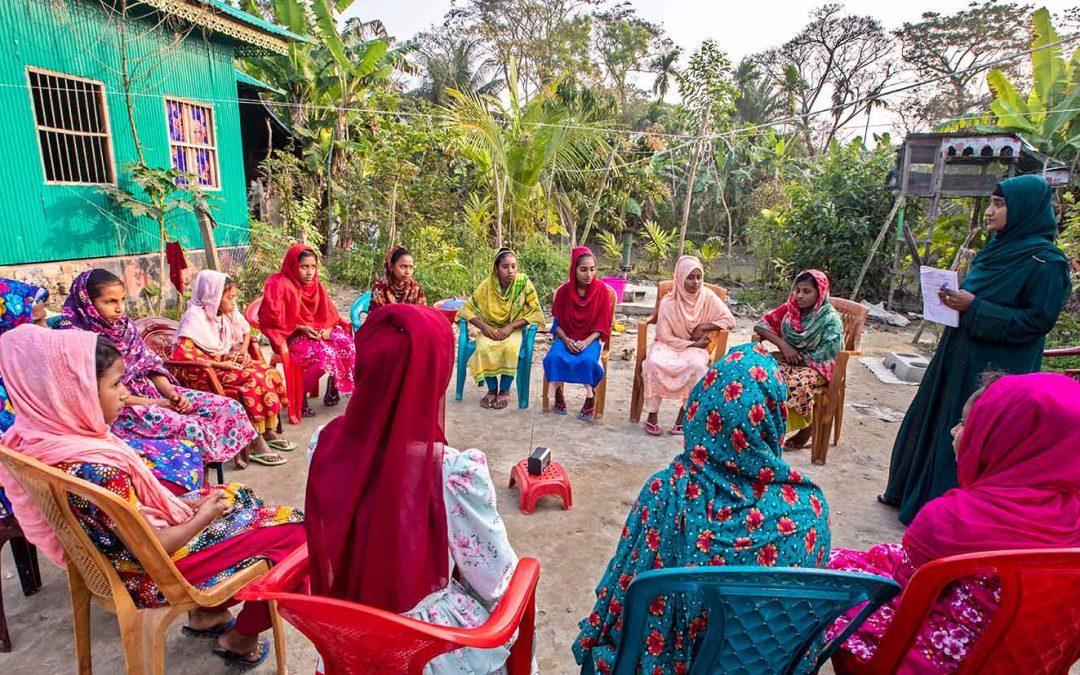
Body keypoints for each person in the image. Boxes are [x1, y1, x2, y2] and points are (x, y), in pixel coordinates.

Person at [0, 325, 305, 668]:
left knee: (240, 496)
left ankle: (209, 614)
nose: (125, 393)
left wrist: (190, 506)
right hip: (152, 573)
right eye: (115, 385)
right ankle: (239, 637)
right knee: (297, 532)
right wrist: (202, 516)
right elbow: (155, 545)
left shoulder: (41, 439)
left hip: (119, 558)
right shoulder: (96, 470)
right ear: (72, 391)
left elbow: (130, 514)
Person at [573, 344, 832, 674]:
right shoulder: (809, 509)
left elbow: (619, 597)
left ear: (702, 406)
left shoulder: (666, 491)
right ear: (772, 417)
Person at [307, 304, 527, 674]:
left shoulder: (323, 443)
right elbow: (495, 578)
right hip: (421, 649)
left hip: (347, 641)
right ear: (434, 375)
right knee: (516, 611)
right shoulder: (454, 471)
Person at [827, 372, 1080, 673]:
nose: (953, 431)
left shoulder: (950, 520)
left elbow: (905, 594)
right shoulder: (1071, 521)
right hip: (1027, 660)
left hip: (934, 660)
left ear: (1001, 440)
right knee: (877, 557)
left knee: (829, 585)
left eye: (968, 424)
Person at [882, 175, 1072, 524]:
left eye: (1000, 204)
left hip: (998, 367)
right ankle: (919, 496)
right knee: (942, 419)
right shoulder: (996, 250)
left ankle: (955, 515)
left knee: (977, 430)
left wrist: (975, 307)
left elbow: (1036, 322)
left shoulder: (1047, 264)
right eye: (992, 202)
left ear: (1025, 211)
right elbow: (975, 298)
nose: (990, 211)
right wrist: (951, 300)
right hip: (959, 352)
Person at [57, 269, 265, 470]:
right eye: (110, 302)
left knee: (229, 407)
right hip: (122, 409)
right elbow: (107, 394)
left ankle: (245, 449)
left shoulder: (125, 328)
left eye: (122, 300)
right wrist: (161, 404)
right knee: (191, 428)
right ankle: (196, 485)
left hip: (154, 392)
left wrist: (172, 394)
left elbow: (151, 365)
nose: (120, 308)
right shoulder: (77, 341)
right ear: (87, 302)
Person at [172, 271, 295, 462]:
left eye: (234, 297)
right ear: (213, 297)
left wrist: (244, 351)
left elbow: (245, 331)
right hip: (202, 371)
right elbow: (183, 354)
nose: (233, 301)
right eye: (229, 297)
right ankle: (254, 440)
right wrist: (219, 363)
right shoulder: (194, 317)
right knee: (253, 379)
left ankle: (268, 429)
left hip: (223, 363)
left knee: (268, 372)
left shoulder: (226, 312)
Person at [641, 255, 736, 436]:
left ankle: (684, 416)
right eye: (690, 277)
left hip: (696, 350)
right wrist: (692, 343)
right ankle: (652, 414)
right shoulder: (668, 303)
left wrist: (704, 326)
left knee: (697, 365)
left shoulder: (707, 297)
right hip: (668, 346)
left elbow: (729, 320)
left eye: (699, 277)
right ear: (680, 277)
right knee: (653, 362)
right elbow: (664, 336)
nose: (695, 282)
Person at [753, 269, 844, 451]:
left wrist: (797, 357)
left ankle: (803, 427)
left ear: (820, 293)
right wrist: (784, 346)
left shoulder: (830, 320)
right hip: (790, 358)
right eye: (798, 290)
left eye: (806, 291)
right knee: (758, 372)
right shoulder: (791, 309)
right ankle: (759, 426)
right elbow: (761, 325)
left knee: (793, 383)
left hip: (817, 367)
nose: (800, 296)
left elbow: (829, 354)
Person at [259, 244, 354, 415]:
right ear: (293, 265)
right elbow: (272, 318)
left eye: (313, 267)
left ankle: (333, 385)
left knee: (346, 343)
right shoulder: (278, 284)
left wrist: (328, 329)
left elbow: (329, 314)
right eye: (304, 267)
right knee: (326, 354)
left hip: (316, 331)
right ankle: (299, 397)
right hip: (290, 335)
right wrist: (301, 328)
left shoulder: (316, 286)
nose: (309, 272)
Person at [458, 248, 546, 410]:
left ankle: (504, 390)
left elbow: (536, 312)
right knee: (483, 348)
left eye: (514, 266)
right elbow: (465, 310)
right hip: (490, 328)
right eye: (505, 267)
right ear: (496, 269)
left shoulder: (523, 283)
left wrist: (511, 326)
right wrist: (483, 326)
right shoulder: (487, 286)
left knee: (510, 349)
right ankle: (492, 389)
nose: (510, 271)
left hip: (514, 329)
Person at [543, 247, 614, 421]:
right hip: (565, 336)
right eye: (583, 269)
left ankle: (590, 396)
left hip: (591, 339)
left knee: (588, 361)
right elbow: (557, 324)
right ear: (574, 269)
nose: (588, 274)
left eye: (592, 269)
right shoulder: (563, 293)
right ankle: (558, 391)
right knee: (554, 357)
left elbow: (602, 326)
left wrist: (585, 342)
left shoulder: (602, 292)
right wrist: (567, 341)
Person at [370, 245, 427, 309]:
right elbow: (376, 315)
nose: (407, 272)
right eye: (403, 267)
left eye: (411, 267)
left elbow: (422, 312)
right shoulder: (380, 287)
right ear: (391, 267)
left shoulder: (416, 288)